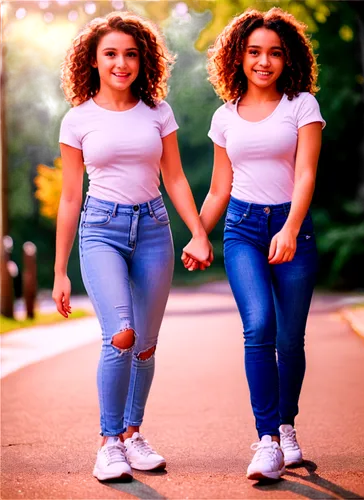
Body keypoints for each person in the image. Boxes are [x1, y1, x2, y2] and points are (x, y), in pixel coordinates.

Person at [53, 11, 213, 482]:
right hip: (100, 228)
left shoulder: (158, 112)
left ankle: (133, 434)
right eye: (111, 54)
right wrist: (61, 270)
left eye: (130, 54)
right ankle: (108, 443)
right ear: (93, 61)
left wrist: (198, 231)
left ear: (144, 61)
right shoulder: (77, 119)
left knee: (144, 344)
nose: (121, 63)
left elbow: (176, 177)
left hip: (153, 229)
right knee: (120, 333)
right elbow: (69, 196)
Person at [182, 7, 326, 481]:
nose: (264, 61)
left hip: (293, 227)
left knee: (290, 337)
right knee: (259, 325)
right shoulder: (225, 117)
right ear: (238, 57)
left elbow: (305, 173)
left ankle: (287, 426)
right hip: (242, 228)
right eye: (254, 52)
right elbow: (220, 188)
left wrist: (289, 228)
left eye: (275, 53)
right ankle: (266, 439)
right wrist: (198, 234)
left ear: (288, 59)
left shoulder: (301, 105)